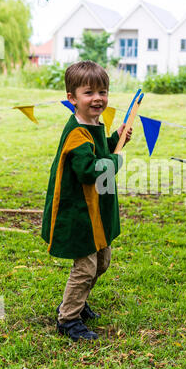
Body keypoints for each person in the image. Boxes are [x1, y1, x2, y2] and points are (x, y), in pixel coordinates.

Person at [42, 60, 132, 341]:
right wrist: (115, 160)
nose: (98, 98)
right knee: (86, 266)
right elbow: (89, 169)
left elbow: (99, 146)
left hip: (94, 208)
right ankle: (68, 318)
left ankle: (76, 302)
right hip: (78, 211)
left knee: (102, 260)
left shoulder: (92, 123)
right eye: (89, 93)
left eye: (103, 92)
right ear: (72, 99)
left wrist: (116, 138)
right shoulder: (76, 133)